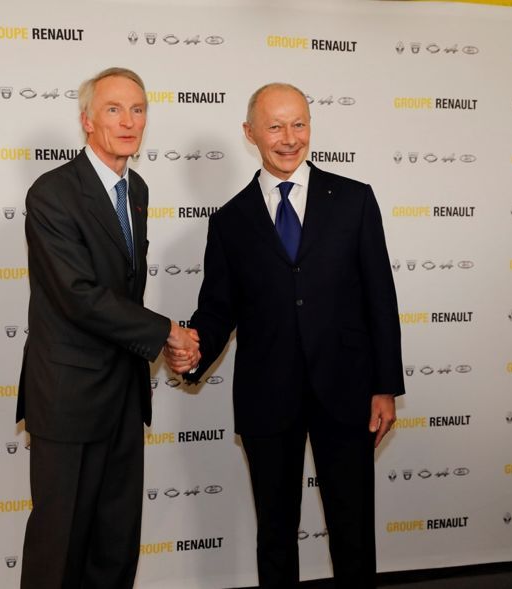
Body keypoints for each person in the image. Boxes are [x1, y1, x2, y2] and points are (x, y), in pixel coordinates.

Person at [166, 82, 405, 588]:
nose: (289, 138)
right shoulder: (230, 221)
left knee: (353, 531)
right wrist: (192, 351)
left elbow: (380, 298)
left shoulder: (355, 200)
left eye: (298, 124)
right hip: (266, 396)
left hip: (347, 390)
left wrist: (385, 387)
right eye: (275, 126)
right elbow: (217, 309)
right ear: (250, 132)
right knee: (275, 533)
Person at [16, 67, 199, 589]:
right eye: (114, 110)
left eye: (138, 110)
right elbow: (78, 295)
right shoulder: (52, 192)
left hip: (124, 392)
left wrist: (161, 340)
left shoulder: (135, 188)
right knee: (60, 549)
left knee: (116, 545)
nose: (128, 121)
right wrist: (168, 332)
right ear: (87, 121)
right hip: (69, 396)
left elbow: (123, 291)